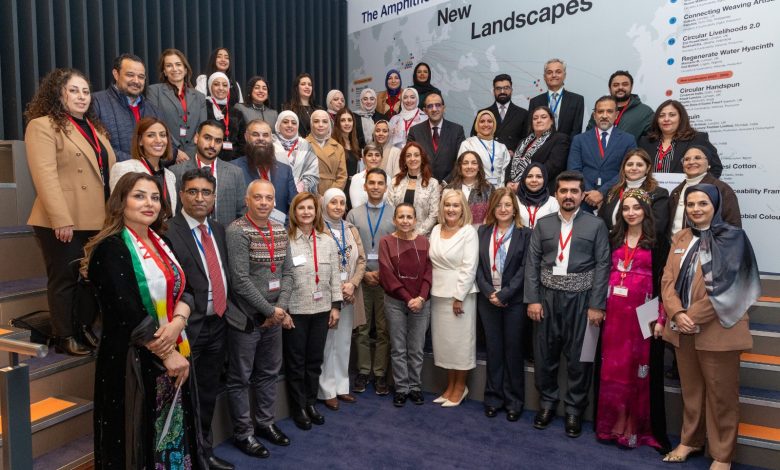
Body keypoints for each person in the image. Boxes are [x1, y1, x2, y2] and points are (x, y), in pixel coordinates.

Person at [82, 172, 201, 468]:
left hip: (173, 347)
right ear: (120, 202)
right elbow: (127, 312)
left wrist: (178, 322)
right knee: (138, 440)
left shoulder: (163, 242)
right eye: (139, 196)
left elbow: (187, 289)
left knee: (172, 432)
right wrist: (167, 353)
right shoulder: (110, 249)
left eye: (155, 197)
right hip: (133, 359)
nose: (149, 203)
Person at [660, 184, 759, 468]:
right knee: (691, 392)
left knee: (721, 395)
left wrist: (691, 316)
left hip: (719, 330)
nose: (696, 209)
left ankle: (722, 455)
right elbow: (667, 279)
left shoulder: (734, 238)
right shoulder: (681, 237)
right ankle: (690, 440)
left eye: (703, 203)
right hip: (683, 329)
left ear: (715, 205)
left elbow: (730, 286)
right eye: (691, 204)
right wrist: (676, 313)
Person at [25, 68, 116, 355]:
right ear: (57, 93)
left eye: (86, 91)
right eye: (73, 90)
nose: (81, 96)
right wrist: (60, 219)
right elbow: (45, 176)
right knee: (65, 279)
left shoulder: (95, 129)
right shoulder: (43, 125)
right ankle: (64, 335)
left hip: (97, 218)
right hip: (63, 218)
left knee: (91, 278)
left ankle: (82, 327)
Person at [524, 170, 610, 438]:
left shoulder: (596, 225)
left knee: (581, 359)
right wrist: (533, 299)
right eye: (564, 191)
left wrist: (597, 305)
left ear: (582, 195)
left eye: (574, 191)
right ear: (556, 194)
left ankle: (574, 409)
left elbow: (603, 265)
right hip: (547, 299)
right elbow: (532, 264)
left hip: (583, 301)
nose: (569, 196)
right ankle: (547, 404)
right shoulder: (543, 224)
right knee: (544, 356)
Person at [165, 168, 237, 469]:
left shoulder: (218, 229)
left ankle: (204, 452)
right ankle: (185, 456)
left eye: (206, 192)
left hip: (217, 324)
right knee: (182, 397)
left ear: (214, 197)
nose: (199, 198)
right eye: (192, 191)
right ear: (181, 195)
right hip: (185, 329)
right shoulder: (168, 232)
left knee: (207, 393)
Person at [596, 188, 670, 451]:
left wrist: (661, 317)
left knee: (637, 371)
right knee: (612, 370)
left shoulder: (659, 242)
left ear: (646, 211)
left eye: (636, 208)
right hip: (613, 314)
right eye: (626, 208)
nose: (631, 213)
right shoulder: (612, 238)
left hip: (644, 314)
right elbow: (601, 272)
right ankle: (610, 425)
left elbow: (665, 282)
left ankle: (633, 428)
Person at [226, 179, 294, 456]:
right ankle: (244, 433)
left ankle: (265, 423)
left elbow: (288, 273)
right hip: (247, 319)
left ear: (275, 201)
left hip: (274, 318)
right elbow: (240, 280)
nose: (264, 202)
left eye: (268, 198)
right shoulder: (237, 230)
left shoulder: (279, 229)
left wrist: (281, 309)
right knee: (240, 378)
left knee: (268, 372)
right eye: (258, 197)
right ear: (247, 200)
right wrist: (269, 311)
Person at [280, 192, 343, 430]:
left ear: (317, 212)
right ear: (294, 212)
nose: (306, 212)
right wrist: (283, 310)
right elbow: (281, 277)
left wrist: (336, 306)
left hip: (322, 310)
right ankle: (298, 408)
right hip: (295, 311)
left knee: (315, 361)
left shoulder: (327, 241)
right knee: (296, 363)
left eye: (310, 208)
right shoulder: (285, 240)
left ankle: (310, 403)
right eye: (301, 208)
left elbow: (335, 275)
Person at [475, 187, 532, 420]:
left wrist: (505, 294)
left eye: (508, 205)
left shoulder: (525, 234)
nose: (503, 209)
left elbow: (526, 268)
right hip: (488, 300)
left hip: (514, 301)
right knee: (493, 350)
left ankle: (514, 402)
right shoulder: (483, 231)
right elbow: (477, 267)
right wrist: (490, 292)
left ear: (514, 208)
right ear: (492, 208)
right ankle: (493, 398)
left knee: (513, 351)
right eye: (498, 205)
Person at [379, 203, 433, 407]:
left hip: (421, 302)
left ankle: (415, 387)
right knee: (398, 348)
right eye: (401, 216)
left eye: (409, 217)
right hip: (395, 302)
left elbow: (429, 271)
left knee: (417, 348)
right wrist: (407, 298)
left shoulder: (424, 242)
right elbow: (386, 274)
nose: (405, 221)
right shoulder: (386, 242)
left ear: (415, 220)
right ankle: (402, 388)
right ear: (394, 220)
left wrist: (421, 298)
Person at [347, 168, 395, 395]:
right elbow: (349, 249)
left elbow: (398, 248)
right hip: (361, 279)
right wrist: (363, 273)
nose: (376, 187)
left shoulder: (395, 213)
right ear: (365, 186)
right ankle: (364, 370)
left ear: (386, 187)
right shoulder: (353, 215)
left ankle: (380, 373)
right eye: (372, 183)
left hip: (387, 281)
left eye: (380, 183)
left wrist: (383, 273)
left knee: (384, 330)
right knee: (362, 329)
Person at [429, 190, 479, 407]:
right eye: (447, 205)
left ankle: (460, 387)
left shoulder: (469, 232)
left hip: (460, 295)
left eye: (456, 205)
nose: (451, 209)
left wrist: (459, 296)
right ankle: (450, 386)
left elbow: (469, 266)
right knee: (446, 345)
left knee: (460, 344)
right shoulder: (436, 229)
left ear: (463, 208)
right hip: (438, 293)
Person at [318, 189, 367, 410]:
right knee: (327, 343)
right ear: (324, 205)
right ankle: (326, 390)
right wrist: (337, 289)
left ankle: (341, 386)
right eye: (333, 202)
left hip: (350, 294)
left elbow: (362, 260)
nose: (338, 207)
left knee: (344, 341)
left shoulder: (351, 229)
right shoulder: (318, 229)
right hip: (328, 295)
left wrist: (353, 284)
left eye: (341, 202)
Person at [170, 120, 246, 226]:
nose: (212, 145)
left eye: (218, 141)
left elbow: (242, 213)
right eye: (207, 138)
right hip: (187, 233)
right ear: (196, 138)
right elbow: (174, 211)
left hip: (225, 234)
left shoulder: (235, 173)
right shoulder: (176, 172)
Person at [567, 96, 637, 212]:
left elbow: (627, 171)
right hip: (584, 199)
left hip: (614, 199)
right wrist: (590, 193)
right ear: (594, 115)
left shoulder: (628, 140)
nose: (604, 115)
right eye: (600, 112)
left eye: (609, 111)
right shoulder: (579, 139)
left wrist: (602, 193)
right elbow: (574, 170)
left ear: (616, 115)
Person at [92, 53, 160, 162]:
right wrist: (138, 163)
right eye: (130, 75)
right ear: (116, 74)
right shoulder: (96, 102)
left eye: (141, 77)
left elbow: (166, 145)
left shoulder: (152, 109)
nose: (136, 81)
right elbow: (95, 145)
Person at [147, 48, 208, 160]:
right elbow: (154, 123)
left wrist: (192, 153)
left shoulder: (199, 96)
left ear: (185, 69)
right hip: (167, 154)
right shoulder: (154, 91)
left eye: (178, 64)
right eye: (169, 65)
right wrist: (175, 151)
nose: (174, 69)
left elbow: (202, 128)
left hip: (194, 155)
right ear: (164, 71)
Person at [598, 149, 670, 243]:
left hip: (642, 246)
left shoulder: (658, 193)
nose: (634, 168)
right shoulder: (612, 192)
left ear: (648, 168)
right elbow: (601, 221)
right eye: (630, 164)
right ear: (624, 167)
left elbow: (657, 227)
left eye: (639, 165)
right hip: (611, 245)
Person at [638, 99, 723, 178]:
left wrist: (698, 187)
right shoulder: (645, 142)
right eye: (661, 116)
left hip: (686, 189)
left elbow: (716, 168)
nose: (666, 119)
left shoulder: (697, 139)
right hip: (651, 189)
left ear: (681, 118)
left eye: (672, 115)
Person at [110, 117, 178, 213]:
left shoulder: (170, 176)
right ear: (140, 141)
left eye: (162, 135)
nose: (159, 140)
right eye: (151, 135)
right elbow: (116, 210)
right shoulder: (124, 169)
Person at [668, 145, 740, 236]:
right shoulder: (676, 191)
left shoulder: (721, 189)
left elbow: (733, 227)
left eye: (697, 158)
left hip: (707, 244)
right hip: (675, 244)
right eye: (686, 159)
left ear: (708, 163)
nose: (691, 162)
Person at [232, 119, 297, 217]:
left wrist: (283, 225)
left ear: (271, 138)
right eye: (255, 134)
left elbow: (294, 205)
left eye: (265, 135)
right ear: (246, 137)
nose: (261, 138)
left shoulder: (285, 170)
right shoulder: (233, 168)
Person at [506, 106, 570, 192]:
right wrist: (508, 181)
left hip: (542, 191)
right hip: (514, 190)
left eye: (543, 117)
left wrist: (524, 183)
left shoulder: (560, 139)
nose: (538, 120)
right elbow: (512, 162)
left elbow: (553, 167)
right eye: (535, 118)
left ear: (551, 121)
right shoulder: (523, 141)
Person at [407, 93, 466, 182]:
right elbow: (410, 160)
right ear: (425, 110)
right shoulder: (415, 131)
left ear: (443, 108)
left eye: (438, 105)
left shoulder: (457, 130)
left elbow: (461, 161)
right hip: (422, 183)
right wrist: (427, 182)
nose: (434, 109)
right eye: (430, 106)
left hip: (450, 185)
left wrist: (445, 183)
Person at [385, 142, 441, 236]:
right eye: (408, 156)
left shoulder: (432, 184)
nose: (412, 159)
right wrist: (401, 233)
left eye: (416, 155)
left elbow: (434, 215)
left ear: (422, 158)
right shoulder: (395, 182)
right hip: (398, 236)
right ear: (404, 160)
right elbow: (390, 210)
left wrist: (416, 235)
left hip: (422, 237)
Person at [526, 59, 585, 138]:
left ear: (564, 75)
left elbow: (576, 131)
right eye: (549, 72)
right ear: (544, 77)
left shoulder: (577, 100)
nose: (554, 75)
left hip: (567, 145)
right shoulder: (535, 102)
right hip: (541, 145)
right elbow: (531, 130)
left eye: (558, 72)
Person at [587, 70, 654, 140]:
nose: (620, 87)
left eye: (625, 84)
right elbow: (588, 137)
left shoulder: (645, 112)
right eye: (616, 85)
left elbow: (652, 140)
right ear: (609, 89)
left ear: (631, 87)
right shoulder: (600, 110)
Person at [470, 74, 528, 152]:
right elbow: (474, 138)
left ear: (511, 90)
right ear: (494, 91)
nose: (502, 91)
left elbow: (527, 141)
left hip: (512, 159)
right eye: (498, 88)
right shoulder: (483, 113)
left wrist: (515, 153)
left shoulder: (522, 114)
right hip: (487, 157)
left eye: (506, 88)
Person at [459, 110, 510, 187]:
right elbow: (462, 169)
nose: (486, 124)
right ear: (477, 124)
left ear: (494, 124)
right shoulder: (468, 144)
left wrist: (501, 189)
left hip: (498, 190)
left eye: (489, 121)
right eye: (482, 121)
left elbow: (505, 172)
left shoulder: (501, 147)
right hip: (475, 189)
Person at [273, 110, 320, 194]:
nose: (290, 125)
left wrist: (300, 187)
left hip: (299, 195)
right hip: (274, 192)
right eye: (285, 122)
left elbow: (313, 172)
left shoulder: (306, 145)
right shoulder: (270, 143)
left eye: (294, 123)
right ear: (278, 124)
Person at [232, 76, 278, 156]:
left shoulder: (273, 113)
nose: (261, 91)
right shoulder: (240, 108)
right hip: (246, 154)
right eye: (257, 88)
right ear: (250, 90)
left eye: (264, 88)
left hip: (269, 155)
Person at [444, 151, 494, 224]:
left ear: (479, 167)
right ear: (460, 167)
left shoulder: (488, 188)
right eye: (465, 163)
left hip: (480, 229)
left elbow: (492, 214)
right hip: (454, 229)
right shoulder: (450, 188)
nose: (469, 166)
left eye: (474, 163)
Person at [306, 109, 347, 195]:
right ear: (311, 124)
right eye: (316, 121)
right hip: (309, 194)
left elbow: (342, 176)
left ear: (329, 124)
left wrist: (330, 195)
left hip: (332, 195)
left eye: (324, 121)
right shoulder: (303, 144)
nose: (320, 125)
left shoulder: (338, 147)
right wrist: (313, 195)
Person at [332, 108, 363, 203]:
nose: (347, 123)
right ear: (338, 123)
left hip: (353, 189)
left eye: (349, 120)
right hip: (340, 189)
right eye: (343, 120)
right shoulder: (333, 144)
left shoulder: (354, 143)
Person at [515, 163, 559, 229]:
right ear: (524, 179)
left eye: (539, 176)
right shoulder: (515, 200)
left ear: (544, 179)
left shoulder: (553, 202)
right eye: (529, 176)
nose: (534, 180)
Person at [205, 72, 237, 161]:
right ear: (210, 87)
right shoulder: (203, 107)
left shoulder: (236, 112)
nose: (221, 88)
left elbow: (242, 142)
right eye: (216, 84)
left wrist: (234, 160)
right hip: (207, 158)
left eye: (225, 85)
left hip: (233, 161)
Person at [283, 73, 319, 138]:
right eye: (303, 84)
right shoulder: (288, 108)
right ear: (297, 88)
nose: (307, 87)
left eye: (310, 85)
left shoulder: (318, 109)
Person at [350, 143, 384, 208]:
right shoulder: (356, 179)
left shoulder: (388, 179)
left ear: (381, 158)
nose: (374, 158)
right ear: (364, 159)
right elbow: (355, 206)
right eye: (370, 155)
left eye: (377, 155)